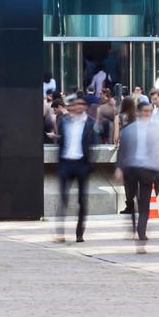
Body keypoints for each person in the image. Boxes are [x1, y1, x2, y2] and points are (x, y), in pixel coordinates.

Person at [116, 98, 155, 251]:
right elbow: (121, 150)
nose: (147, 114)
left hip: (146, 169)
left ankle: (141, 231)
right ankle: (133, 225)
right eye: (145, 111)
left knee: (144, 203)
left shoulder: (155, 129)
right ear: (138, 112)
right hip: (131, 169)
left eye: (150, 112)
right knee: (131, 198)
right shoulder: (128, 130)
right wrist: (119, 167)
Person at [55, 94, 94, 244]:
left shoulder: (90, 123)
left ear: (85, 107)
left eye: (81, 104)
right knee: (63, 198)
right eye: (75, 104)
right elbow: (61, 142)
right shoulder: (64, 122)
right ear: (71, 106)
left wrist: (90, 165)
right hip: (66, 163)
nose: (78, 107)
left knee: (82, 201)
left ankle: (79, 233)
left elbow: (93, 145)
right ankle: (60, 233)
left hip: (82, 164)